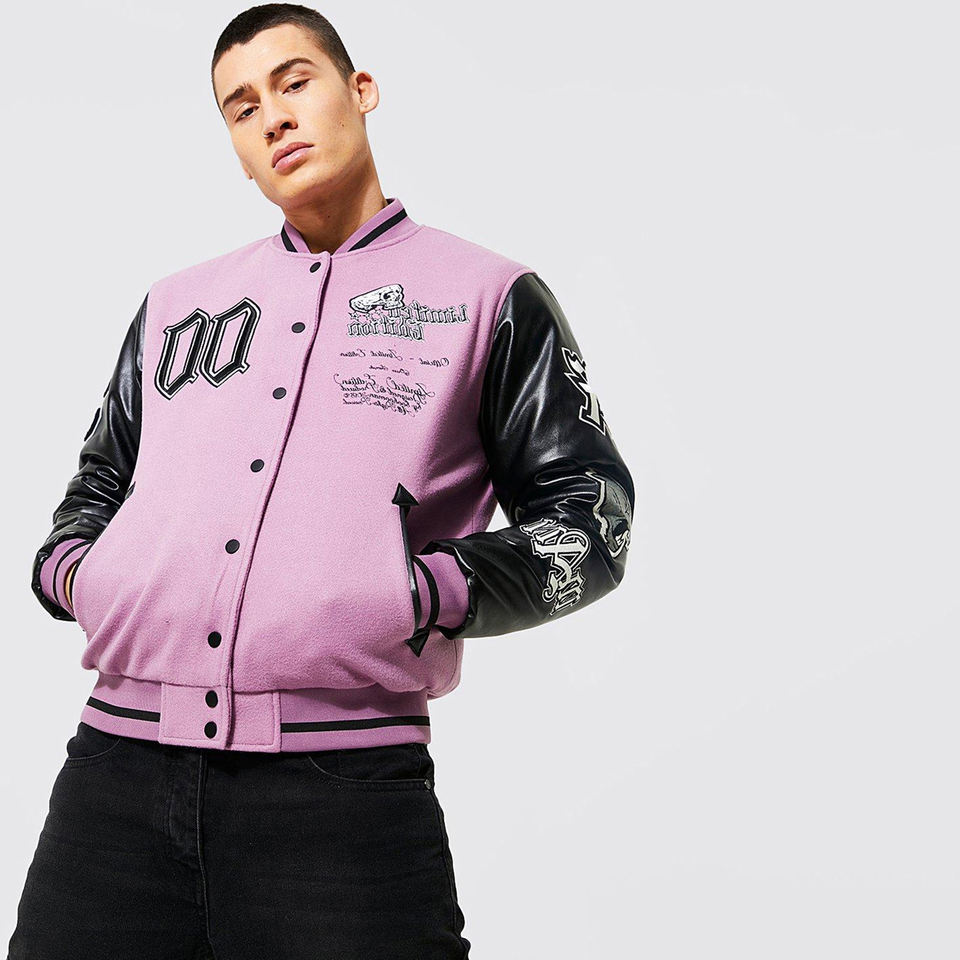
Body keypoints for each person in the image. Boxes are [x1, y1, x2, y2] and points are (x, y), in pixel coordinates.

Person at [8, 4, 635, 958]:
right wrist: (77, 575)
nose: (274, 117)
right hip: (112, 782)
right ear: (237, 149)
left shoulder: (489, 297)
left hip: (342, 803)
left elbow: (593, 524)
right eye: (242, 107)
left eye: (294, 82)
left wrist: (426, 591)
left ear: (361, 90)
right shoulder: (176, 305)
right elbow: (97, 481)